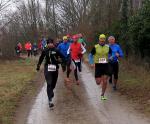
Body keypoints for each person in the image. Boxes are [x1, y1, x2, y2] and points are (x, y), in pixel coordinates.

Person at [36, 38, 65, 108]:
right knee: (49, 83)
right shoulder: (45, 50)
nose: (50, 44)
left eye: (51, 43)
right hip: (47, 68)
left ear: (53, 43)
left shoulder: (56, 50)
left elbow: (63, 57)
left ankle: (51, 91)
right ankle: (50, 101)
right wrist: (38, 66)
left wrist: (62, 64)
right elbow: (41, 58)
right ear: (47, 44)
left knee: (53, 84)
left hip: (55, 68)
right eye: (48, 43)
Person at [89, 34, 112, 100]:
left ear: (105, 40)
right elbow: (90, 55)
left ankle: (102, 94)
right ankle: (100, 78)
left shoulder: (108, 47)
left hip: (105, 65)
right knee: (98, 82)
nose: (102, 41)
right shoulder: (95, 47)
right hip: (98, 66)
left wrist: (111, 57)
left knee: (105, 81)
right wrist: (91, 63)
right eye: (101, 40)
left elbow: (111, 54)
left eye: (103, 40)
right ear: (99, 40)